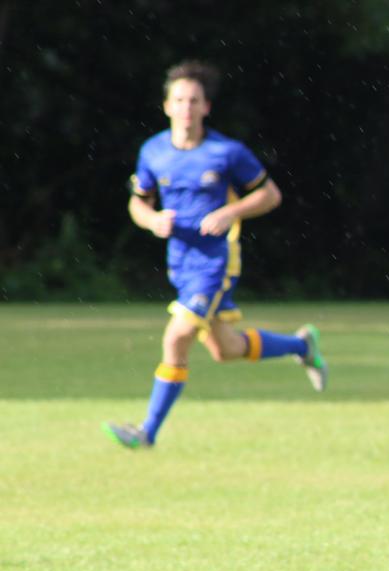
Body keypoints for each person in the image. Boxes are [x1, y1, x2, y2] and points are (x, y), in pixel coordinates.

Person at [104, 60, 327, 450]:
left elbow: (270, 195)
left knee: (177, 338)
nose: (186, 107)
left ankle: (147, 432)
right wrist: (152, 220)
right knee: (226, 350)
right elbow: (137, 205)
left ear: (206, 107)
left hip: (216, 261)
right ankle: (302, 346)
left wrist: (230, 211)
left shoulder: (226, 152)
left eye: (194, 100)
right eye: (180, 100)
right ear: (167, 106)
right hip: (181, 263)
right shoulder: (153, 151)